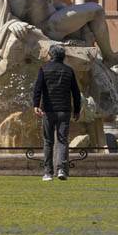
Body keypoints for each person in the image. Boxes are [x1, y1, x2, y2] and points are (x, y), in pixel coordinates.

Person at [32, 44, 81, 181]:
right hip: (64, 110)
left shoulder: (44, 69)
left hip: (48, 110)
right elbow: (76, 93)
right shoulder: (69, 71)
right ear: (63, 56)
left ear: (51, 55)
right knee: (63, 141)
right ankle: (61, 170)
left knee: (48, 141)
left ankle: (48, 172)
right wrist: (77, 110)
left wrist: (36, 104)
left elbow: (38, 88)